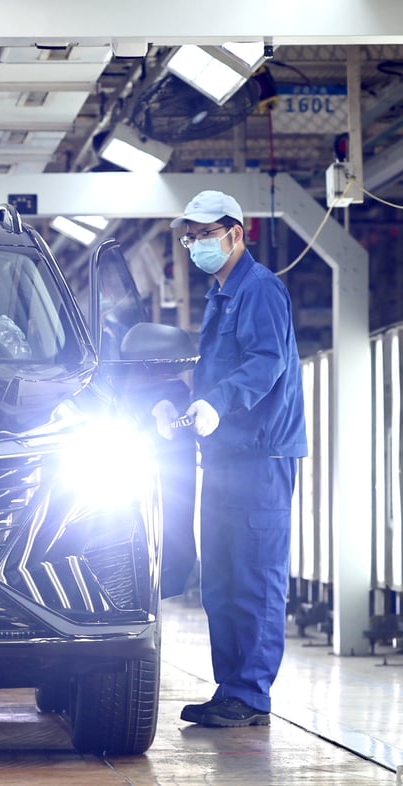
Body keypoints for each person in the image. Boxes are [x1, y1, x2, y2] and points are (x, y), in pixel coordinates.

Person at [153, 189, 308, 728]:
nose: (195, 245)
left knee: (255, 577)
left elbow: (267, 364)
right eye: (190, 237)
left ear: (236, 234)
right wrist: (175, 399)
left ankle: (252, 694)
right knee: (220, 577)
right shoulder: (222, 295)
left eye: (204, 235)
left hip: (261, 457)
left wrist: (217, 404)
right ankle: (231, 690)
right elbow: (213, 371)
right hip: (222, 456)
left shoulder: (261, 290)